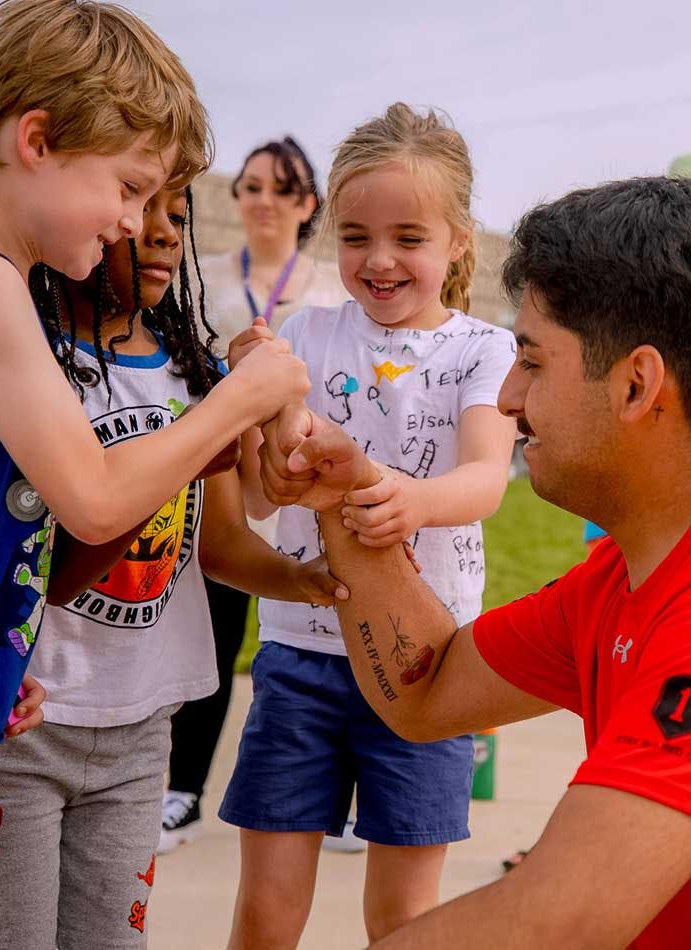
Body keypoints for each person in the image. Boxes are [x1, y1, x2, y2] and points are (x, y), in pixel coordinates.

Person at [0, 0, 309, 949]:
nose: (137, 222)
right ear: (38, 140)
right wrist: (236, 400)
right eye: (130, 186)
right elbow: (94, 502)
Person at [260, 175, 691, 949]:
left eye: (530, 360)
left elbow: (561, 920)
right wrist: (345, 496)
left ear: (637, 384)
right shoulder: (612, 582)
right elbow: (426, 694)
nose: (511, 398)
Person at [0, 183, 348, 950]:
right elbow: (56, 542)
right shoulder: (27, 359)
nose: (166, 235)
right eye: (144, 212)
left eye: (178, 217)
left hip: (141, 729)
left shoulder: (191, 374)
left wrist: (302, 580)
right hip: (24, 729)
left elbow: (222, 545)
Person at [219, 103, 517, 949]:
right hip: (302, 658)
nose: (379, 261)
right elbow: (264, 500)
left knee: (403, 918)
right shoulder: (305, 335)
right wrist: (266, 441)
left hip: (426, 662)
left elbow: (486, 478)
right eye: (355, 238)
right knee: (268, 912)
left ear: (460, 240)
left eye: (409, 238)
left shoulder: (483, 350)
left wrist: (413, 502)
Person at [161, 136, 348, 852]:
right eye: (252, 186)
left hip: (303, 487)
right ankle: (183, 791)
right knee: (212, 633)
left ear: (306, 206)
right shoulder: (200, 276)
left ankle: (341, 794)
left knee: (326, 638)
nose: (264, 200)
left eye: (283, 188)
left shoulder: (334, 291)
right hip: (217, 484)